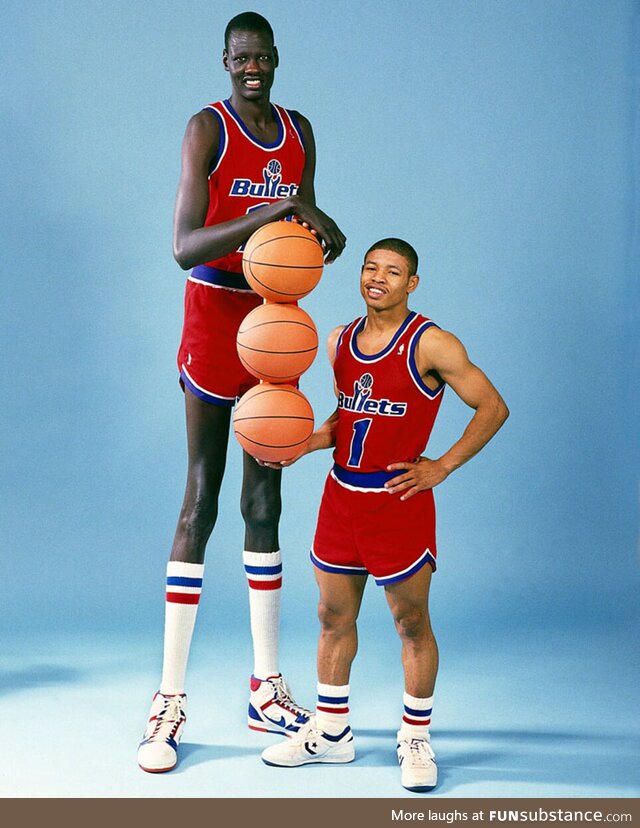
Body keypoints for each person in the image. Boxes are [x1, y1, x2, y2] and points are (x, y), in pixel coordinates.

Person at [137, 11, 346, 774]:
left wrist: (316, 236)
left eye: (261, 56)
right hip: (213, 312)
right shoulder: (207, 128)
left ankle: (266, 684)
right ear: (225, 61)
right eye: (239, 57)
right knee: (203, 497)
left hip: (275, 321)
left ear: (277, 59)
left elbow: (298, 226)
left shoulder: (299, 130)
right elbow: (184, 244)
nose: (251, 66)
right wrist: (274, 210)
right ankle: (168, 698)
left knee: (267, 501)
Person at [260, 238, 508, 791]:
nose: (378, 278)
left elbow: (493, 406)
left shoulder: (432, 344)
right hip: (341, 498)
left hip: (398, 502)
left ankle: (416, 737)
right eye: (370, 268)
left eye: (392, 272)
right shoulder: (339, 340)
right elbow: (348, 418)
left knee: (411, 623)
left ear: (411, 283)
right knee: (331, 617)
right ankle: (330, 733)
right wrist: (301, 443)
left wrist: (441, 465)